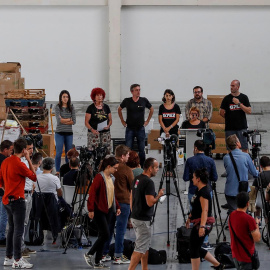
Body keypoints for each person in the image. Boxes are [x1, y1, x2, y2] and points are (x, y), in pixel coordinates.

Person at [0, 138, 37, 268]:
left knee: (11, 230)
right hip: (17, 200)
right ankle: (17, 259)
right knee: (18, 230)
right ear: (23, 150)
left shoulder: (5, 162)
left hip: (6, 200)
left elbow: (0, 183)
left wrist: (8, 191)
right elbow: (34, 176)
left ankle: (8, 257)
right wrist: (28, 159)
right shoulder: (19, 163)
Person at [84, 156, 121, 269]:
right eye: (115, 168)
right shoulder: (99, 178)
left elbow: (113, 195)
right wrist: (90, 209)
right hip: (99, 210)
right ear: (108, 167)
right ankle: (89, 254)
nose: (116, 170)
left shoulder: (112, 178)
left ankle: (97, 261)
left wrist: (117, 206)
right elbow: (92, 194)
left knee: (102, 235)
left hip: (109, 210)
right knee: (105, 234)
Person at [128, 158, 164, 270]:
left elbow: (131, 197)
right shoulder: (149, 182)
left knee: (145, 246)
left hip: (135, 216)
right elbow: (150, 202)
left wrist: (133, 211)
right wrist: (158, 196)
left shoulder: (137, 179)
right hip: (143, 220)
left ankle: (145, 268)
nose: (158, 170)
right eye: (156, 167)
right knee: (139, 248)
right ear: (150, 168)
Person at [185, 168, 224, 270]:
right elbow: (196, 207)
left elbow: (204, 210)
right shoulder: (199, 190)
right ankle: (218, 265)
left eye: (193, 177)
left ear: (198, 179)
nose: (192, 179)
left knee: (193, 249)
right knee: (195, 247)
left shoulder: (204, 193)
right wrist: (189, 217)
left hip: (203, 223)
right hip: (199, 222)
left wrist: (202, 226)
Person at [183, 140, 218, 250]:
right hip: (207, 190)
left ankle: (195, 238)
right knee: (206, 213)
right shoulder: (210, 160)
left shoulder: (190, 160)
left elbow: (185, 178)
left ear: (195, 148)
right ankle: (205, 241)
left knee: (194, 215)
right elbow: (215, 177)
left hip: (193, 191)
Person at [102, 145, 133, 264]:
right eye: (128, 155)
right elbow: (132, 186)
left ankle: (104, 253)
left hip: (110, 202)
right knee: (120, 230)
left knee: (108, 229)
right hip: (123, 202)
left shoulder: (107, 167)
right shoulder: (126, 169)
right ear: (123, 156)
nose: (129, 157)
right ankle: (118, 256)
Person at [118, 84, 154, 168]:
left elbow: (151, 109)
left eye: (139, 90)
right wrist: (122, 121)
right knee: (128, 149)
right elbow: (119, 109)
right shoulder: (127, 101)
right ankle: (128, 166)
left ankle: (142, 166)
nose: (138, 92)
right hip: (130, 128)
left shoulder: (143, 100)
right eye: (136, 90)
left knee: (141, 149)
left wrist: (147, 120)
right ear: (132, 91)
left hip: (140, 128)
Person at [223, 135, 258, 210]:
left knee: (233, 214)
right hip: (243, 190)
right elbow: (254, 173)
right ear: (237, 143)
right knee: (244, 214)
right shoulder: (246, 156)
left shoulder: (226, 158)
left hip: (230, 190)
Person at [229, 192, 261, 270]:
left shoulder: (231, 215)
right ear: (247, 203)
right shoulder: (249, 219)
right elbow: (257, 238)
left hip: (235, 254)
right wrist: (256, 223)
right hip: (246, 256)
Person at [219, 80, 251, 153]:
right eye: (231, 86)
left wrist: (239, 103)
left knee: (244, 147)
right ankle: (231, 163)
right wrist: (229, 117)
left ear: (238, 87)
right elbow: (221, 112)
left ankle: (244, 163)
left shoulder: (244, 97)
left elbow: (249, 111)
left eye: (233, 86)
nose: (231, 87)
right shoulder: (226, 98)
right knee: (229, 148)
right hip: (230, 128)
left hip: (242, 127)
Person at [20, 139, 36, 258]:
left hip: (29, 193)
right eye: (29, 148)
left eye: (32, 148)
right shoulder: (22, 161)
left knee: (25, 222)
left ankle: (22, 246)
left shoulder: (27, 160)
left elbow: (32, 176)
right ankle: (20, 248)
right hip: (23, 194)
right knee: (21, 223)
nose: (32, 151)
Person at [55, 90, 76, 175]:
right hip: (59, 133)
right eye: (64, 97)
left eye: (67, 97)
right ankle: (57, 170)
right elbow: (59, 121)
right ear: (61, 98)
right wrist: (69, 119)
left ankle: (68, 169)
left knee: (68, 153)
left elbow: (74, 121)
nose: (65, 99)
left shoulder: (71, 107)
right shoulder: (57, 107)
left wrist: (64, 120)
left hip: (69, 133)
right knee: (59, 152)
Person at [85, 87, 112, 154]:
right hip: (94, 133)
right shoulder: (90, 108)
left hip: (105, 133)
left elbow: (110, 120)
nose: (99, 97)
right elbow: (86, 122)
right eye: (97, 95)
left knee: (106, 152)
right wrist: (92, 130)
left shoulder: (106, 107)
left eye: (101, 95)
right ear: (94, 97)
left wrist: (108, 126)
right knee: (93, 152)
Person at [0, 140, 13, 247]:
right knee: (3, 216)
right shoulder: (5, 161)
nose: (11, 152)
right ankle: (1, 237)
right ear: (5, 150)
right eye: (10, 150)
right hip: (3, 192)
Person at [252, 156, 270, 221]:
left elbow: (253, 191)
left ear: (261, 165)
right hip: (269, 201)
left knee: (257, 206)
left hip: (261, 202)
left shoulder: (259, 176)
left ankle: (257, 221)